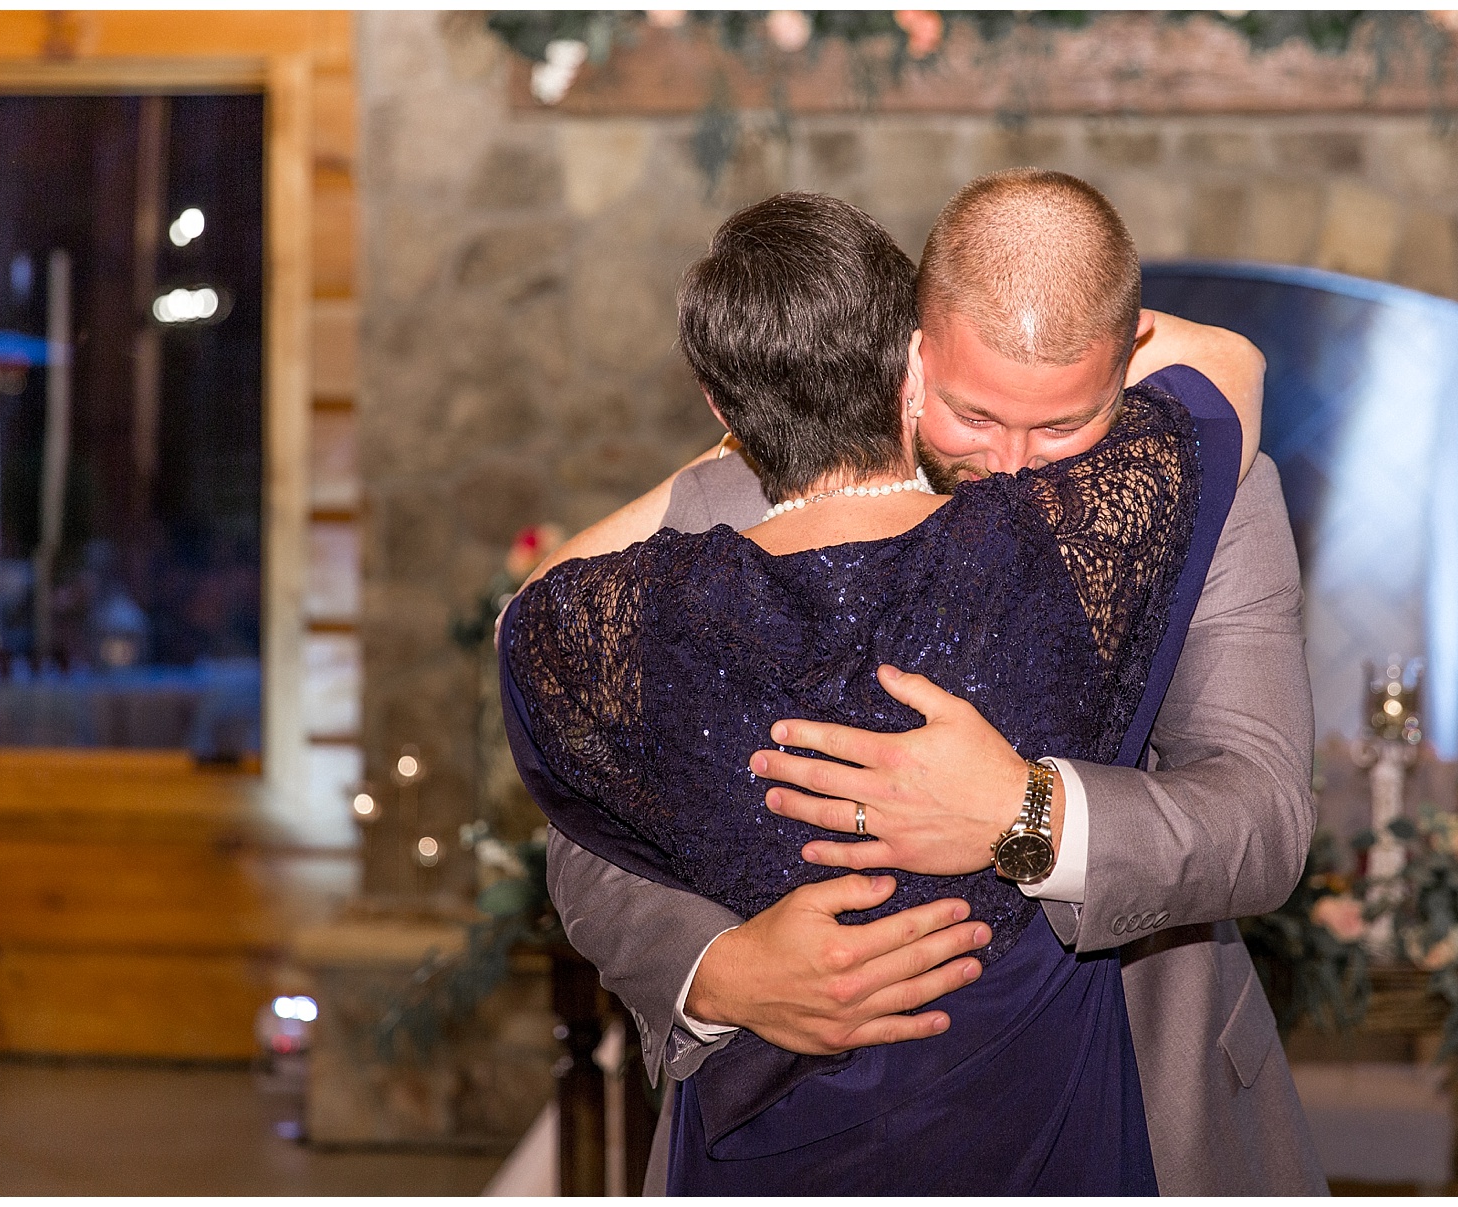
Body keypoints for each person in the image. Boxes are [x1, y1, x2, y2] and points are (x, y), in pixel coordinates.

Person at [527, 170, 1325, 1194]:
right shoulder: (735, 502)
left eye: (1063, 425)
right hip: (787, 1122)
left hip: (1132, 1098)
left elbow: (1261, 818)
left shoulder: (1205, 494)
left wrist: (1024, 813)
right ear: (911, 352)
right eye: (973, 414)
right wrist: (721, 973)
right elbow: (592, 830)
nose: (1019, 465)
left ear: (1132, 361)